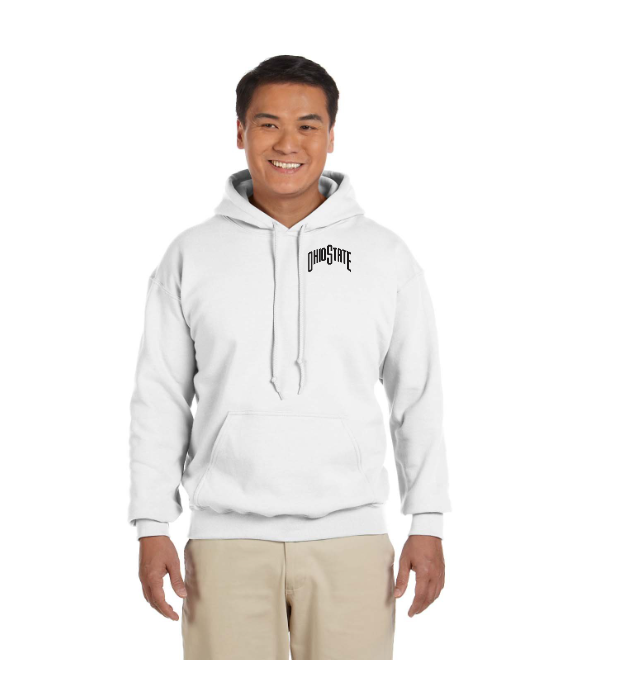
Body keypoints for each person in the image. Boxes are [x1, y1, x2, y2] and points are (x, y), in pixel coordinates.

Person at [129, 55, 451, 661]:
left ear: (330, 135)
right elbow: (160, 397)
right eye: (268, 123)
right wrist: (151, 525)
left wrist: (427, 521)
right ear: (240, 132)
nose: (287, 143)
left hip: (352, 537)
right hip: (224, 543)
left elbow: (418, 394)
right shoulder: (191, 255)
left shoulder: (385, 256)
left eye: (307, 125)